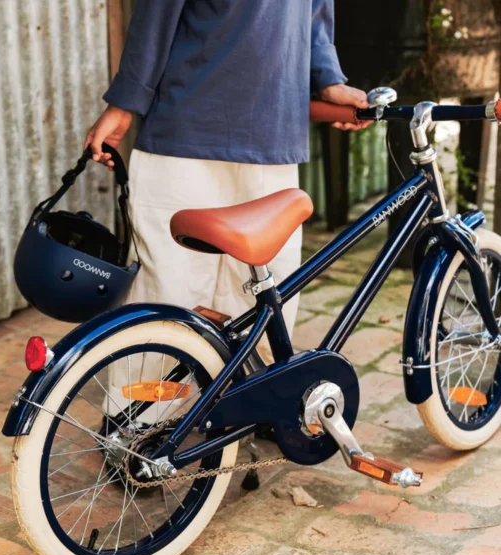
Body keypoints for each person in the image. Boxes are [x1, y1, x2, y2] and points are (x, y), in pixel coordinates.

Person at [84, 0, 370, 360]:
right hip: (187, 129)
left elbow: (314, 12)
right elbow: (157, 12)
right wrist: (125, 103)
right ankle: (149, 400)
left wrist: (328, 79)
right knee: (169, 290)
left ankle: (247, 396)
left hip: (274, 131)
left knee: (264, 299)